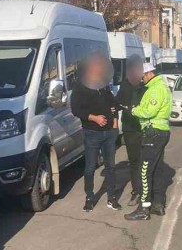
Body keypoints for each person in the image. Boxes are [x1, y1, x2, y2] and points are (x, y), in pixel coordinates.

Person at [71, 53, 121, 211]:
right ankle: (89, 197)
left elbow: (113, 104)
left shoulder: (103, 84)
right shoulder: (80, 86)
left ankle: (111, 197)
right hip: (92, 132)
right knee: (90, 167)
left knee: (111, 166)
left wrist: (114, 124)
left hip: (109, 133)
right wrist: (94, 118)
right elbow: (76, 109)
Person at [124, 63, 172, 221]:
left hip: (153, 133)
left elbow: (148, 111)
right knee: (157, 169)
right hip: (160, 131)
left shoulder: (155, 89)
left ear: (149, 74)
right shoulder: (159, 87)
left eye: (143, 76)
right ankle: (158, 204)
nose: (142, 80)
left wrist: (133, 110)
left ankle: (143, 209)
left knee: (144, 171)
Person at [116, 55, 147, 206]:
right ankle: (137, 191)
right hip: (130, 129)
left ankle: (148, 192)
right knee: (134, 162)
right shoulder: (125, 85)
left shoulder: (146, 85)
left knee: (146, 161)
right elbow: (118, 102)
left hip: (146, 128)